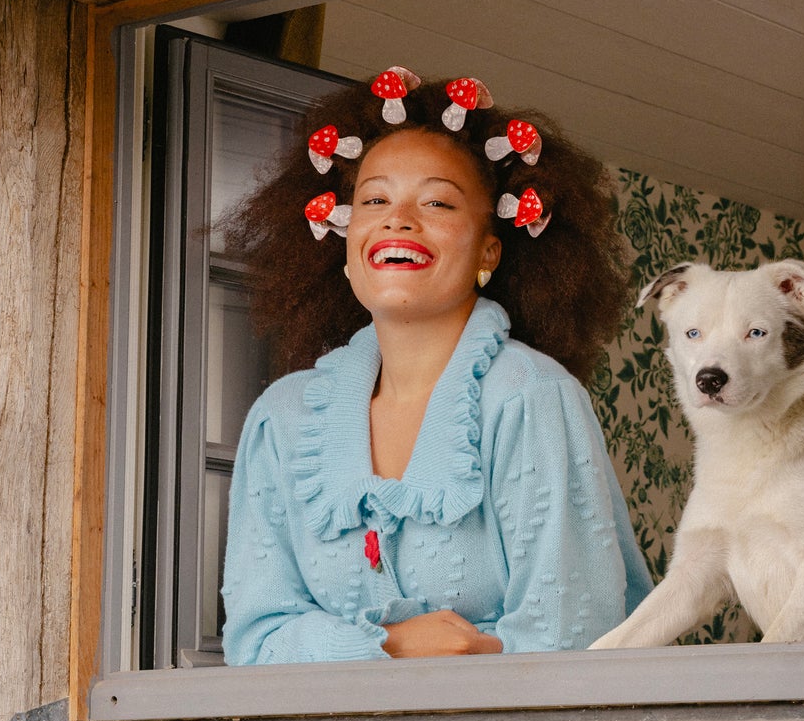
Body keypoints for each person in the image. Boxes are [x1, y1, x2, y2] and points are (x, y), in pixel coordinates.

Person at [220, 68, 652, 662]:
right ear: (345, 242)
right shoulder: (281, 418)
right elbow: (255, 640)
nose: (397, 219)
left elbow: (571, 634)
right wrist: (393, 646)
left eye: (437, 201)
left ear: (488, 249)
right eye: (373, 199)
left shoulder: (532, 399)